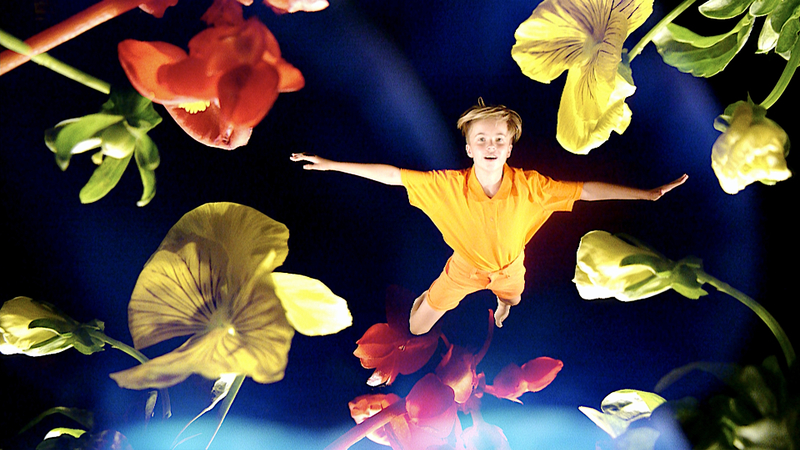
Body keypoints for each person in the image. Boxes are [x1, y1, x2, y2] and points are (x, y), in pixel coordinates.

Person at [290, 101, 687, 335]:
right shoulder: (447, 185)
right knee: (417, 326)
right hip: (464, 270)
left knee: (512, 298)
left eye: (499, 139)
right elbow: (393, 175)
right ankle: (427, 298)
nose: (491, 145)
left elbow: (584, 190)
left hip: (511, 269)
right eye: (481, 139)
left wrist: (646, 194)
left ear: (510, 147)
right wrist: (332, 164)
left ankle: (502, 303)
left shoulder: (532, 187)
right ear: (468, 147)